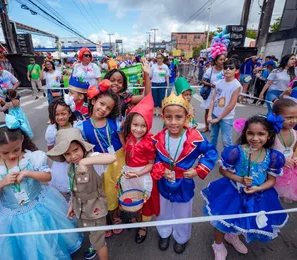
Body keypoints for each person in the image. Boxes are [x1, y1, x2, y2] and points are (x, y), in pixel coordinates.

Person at [0, 115, 83, 259]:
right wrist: (1, 184)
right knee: (24, 246)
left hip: (41, 205)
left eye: (16, 149)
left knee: (47, 240)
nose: (12, 155)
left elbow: (47, 177)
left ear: (22, 140)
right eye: (5, 152)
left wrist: (28, 172)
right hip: (12, 216)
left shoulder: (31, 158)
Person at [201, 115, 288, 260]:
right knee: (223, 220)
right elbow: (223, 170)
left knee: (242, 219)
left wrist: (258, 188)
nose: (255, 138)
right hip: (233, 192)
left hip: (257, 194)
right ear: (245, 133)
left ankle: (232, 236)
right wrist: (240, 179)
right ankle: (218, 244)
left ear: (269, 135)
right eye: (250, 133)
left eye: (261, 134)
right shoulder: (236, 151)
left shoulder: (272, 156)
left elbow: (272, 181)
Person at [149, 92, 218, 254]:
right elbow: (154, 158)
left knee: (183, 211)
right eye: (168, 117)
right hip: (164, 182)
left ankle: (181, 237)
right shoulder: (158, 138)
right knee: (163, 209)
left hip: (184, 182)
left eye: (178, 117)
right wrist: (162, 169)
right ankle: (164, 233)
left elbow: (211, 153)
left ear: (186, 117)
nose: (173, 122)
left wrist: (197, 169)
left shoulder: (195, 137)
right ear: (163, 117)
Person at [47, 128, 116, 260]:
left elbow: (111, 157)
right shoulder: (71, 166)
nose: (73, 156)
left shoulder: (93, 159)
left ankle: (99, 246)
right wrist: (72, 204)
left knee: (99, 243)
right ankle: (95, 242)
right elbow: (74, 187)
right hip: (81, 208)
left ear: (83, 147)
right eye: (67, 154)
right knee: (93, 234)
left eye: (75, 150)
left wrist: (85, 161)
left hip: (96, 209)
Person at [75, 80, 125, 237]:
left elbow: (123, 142)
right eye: (101, 104)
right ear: (93, 100)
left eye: (108, 107)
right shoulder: (82, 126)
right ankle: (106, 219)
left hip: (118, 160)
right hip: (98, 163)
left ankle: (116, 216)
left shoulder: (114, 122)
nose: (103, 109)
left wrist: (128, 159)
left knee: (116, 188)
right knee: (101, 191)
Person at [121, 93, 156, 244]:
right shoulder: (129, 137)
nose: (139, 129)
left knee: (145, 201)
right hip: (130, 172)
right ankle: (135, 218)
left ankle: (143, 227)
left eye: (143, 126)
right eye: (135, 125)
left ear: (148, 126)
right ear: (130, 124)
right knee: (132, 196)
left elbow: (151, 163)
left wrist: (138, 173)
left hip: (142, 175)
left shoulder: (148, 143)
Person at [208, 58, 242, 148]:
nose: (227, 70)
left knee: (226, 140)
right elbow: (213, 99)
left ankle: (228, 160)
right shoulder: (218, 83)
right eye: (225, 67)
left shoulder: (236, 85)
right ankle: (210, 157)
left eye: (231, 68)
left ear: (236, 70)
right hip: (215, 114)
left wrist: (219, 118)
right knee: (212, 137)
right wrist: (209, 115)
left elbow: (231, 105)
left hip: (226, 117)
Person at [45, 97, 76, 193]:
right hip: (62, 163)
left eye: (63, 114)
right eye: (56, 114)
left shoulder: (76, 126)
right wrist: (63, 158)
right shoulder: (52, 130)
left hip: (76, 159)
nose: (60, 117)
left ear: (70, 113)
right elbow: (51, 149)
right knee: (67, 182)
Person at [272, 99, 297, 202]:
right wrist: (281, 159)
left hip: (289, 170)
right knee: (271, 196)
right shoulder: (272, 133)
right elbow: (264, 152)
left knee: (283, 196)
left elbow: (294, 148)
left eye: (296, 117)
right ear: (275, 115)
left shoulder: (294, 132)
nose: (294, 121)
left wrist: (295, 157)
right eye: (289, 118)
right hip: (273, 170)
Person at [200, 54, 225, 133]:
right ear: (216, 61)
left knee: (218, 110)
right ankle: (207, 126)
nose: (222, 61)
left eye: (224, 59)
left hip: (221, 94)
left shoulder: (226, 70)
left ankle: (215, 127)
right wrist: (210, 84)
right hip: (211, 93)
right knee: (208, 110)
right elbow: (203, 80)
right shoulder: (210, 70)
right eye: (220, 59)